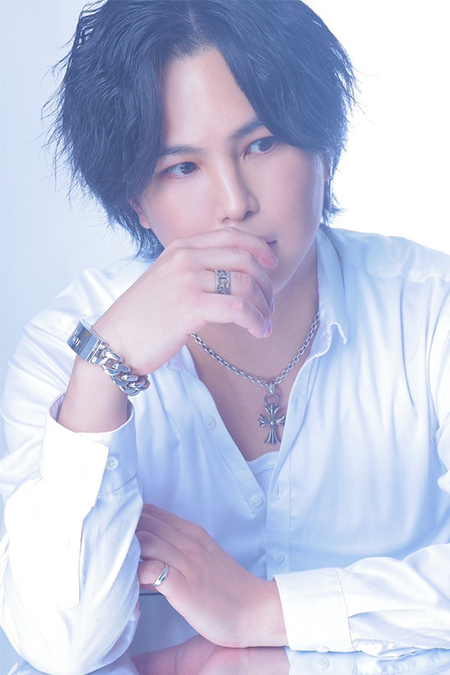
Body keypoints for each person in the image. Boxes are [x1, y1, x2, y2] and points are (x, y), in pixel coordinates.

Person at [1, 0, 449, 672]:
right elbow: (61, 646)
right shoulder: (64, 349)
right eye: (182, 167)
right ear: (135, 200)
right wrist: (100, 377)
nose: (235, 203)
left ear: (324, 147)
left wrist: (264, 611)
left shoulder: (429, 305)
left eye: (261, 144)